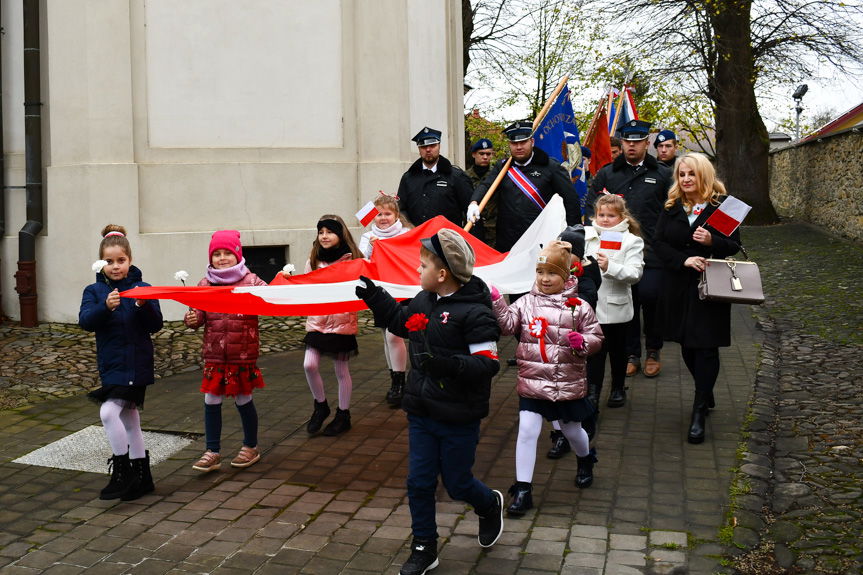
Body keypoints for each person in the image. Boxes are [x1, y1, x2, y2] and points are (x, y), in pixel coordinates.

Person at [355, 229, 504, 575]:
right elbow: (401, 322)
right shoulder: (424, 300)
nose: (416, 271)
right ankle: (424, 547)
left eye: (421, 265)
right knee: (419, 482)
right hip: (421, 411)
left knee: (457, 483)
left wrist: (448, 365)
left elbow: (488, 364)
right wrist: (377, 298)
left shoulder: (476, 313)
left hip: (458, 415)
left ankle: (488, 503)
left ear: (442, 274)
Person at [490, 241, 603, 516]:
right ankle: (524, 489)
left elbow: (596, 337)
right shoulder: (526, 302)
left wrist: (583, 343)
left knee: (572, 430)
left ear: (566, 276)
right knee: (527, 431)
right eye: (540, 272)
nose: (544, 279)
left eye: (551, 273)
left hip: (566, 383)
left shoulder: (579, 307)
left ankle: (585, 459)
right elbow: (507, 326)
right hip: (532, 382)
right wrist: (496, 300)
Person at [653, 153, 741, 444]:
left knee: (706, 348)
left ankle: (699, 409)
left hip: (710, 287)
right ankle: (707, 388)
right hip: (678, 285)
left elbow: (734, 246)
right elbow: (659, 243)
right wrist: (683, 259)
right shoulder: (671, 206)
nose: (686, 179)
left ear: (703, 174)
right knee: (688, 348)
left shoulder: (724, 206)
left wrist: (712, 242)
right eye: (681, 174)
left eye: (691, 174)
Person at [79, 225, 163, 501]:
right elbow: (85, 322)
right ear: (101, 263)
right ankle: (142, 477)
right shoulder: (93, 291)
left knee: (108, 413)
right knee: (129, 418)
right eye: (109, 261)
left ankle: (123, 471)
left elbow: (155, 325)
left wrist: (142, 305)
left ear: (130, 260)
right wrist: (105, 306)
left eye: (121, 260)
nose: (115, 267)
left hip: (136, 363)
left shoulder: (143, 288)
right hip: (111, 364)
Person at [586, 119, 672, 380]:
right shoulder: (607, 173)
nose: (632, 145)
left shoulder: (662, 174)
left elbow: (673, 208)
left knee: (650, 297)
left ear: (647, 143)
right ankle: (632, 353)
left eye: (637, 141)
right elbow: (592, 205)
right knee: (628, 300)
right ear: (621, 143)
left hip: (652, 249)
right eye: (627, 141)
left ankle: (654, 349)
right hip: (617, 251)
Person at [183, 230, 268, 473]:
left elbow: (270, 297)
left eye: (227, 253)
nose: (221, 258)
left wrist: (283, 282)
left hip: (242, 352)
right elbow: (198, 315)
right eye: (216, 254)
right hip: (215, 354)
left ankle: (251, 446)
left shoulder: (251, 280)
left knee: (244, 398)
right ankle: (212, 451)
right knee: (211, 399)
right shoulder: (205, 283)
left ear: (237, 255)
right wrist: (191, 318)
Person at [467, 120, 581, 253]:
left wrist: (573, 236)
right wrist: (474, 202)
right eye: (514, 143)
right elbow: (486, 185)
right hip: (508, 240)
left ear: (532, 142)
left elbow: (571, 200)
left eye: (523, 142)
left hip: (539, 238)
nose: (519, 147)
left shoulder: (551, 167)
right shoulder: (502, 167)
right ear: (509, 144)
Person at [584, 195, 645, 411]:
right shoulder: (586, 236)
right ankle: (592, 392)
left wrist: (610, 266)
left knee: (618, 351)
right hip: (590, 307)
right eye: (601, 215)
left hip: (616, 307)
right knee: (595, 352)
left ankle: (618, 387)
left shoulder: (631, 240)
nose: (605, 220)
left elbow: (635, 273)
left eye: (611, 215)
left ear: (621, 216)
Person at [547, 224, 602, 457]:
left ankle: (583, 431)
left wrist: (572, 282)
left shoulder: (587, 272)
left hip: (576, 341)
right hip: (553, 340)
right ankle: (559, 434)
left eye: (570, 253)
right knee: (552, 389)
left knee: (575, 390)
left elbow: (589, 299)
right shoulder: (550, 270)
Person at [304, 215, 362, 436]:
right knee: (309, 365)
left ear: (341, 234)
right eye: (321, 232)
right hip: (317, 321)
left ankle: (343, 414)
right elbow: (305, 287)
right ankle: (321, 405)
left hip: (342, 323)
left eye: (330, 232)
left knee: (341, 370)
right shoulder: (313, 260)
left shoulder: (353, 260)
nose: (325, 236)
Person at [358, 193, 410, 407]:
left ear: (396, 215)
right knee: (385, 336)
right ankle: (394, 380)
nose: (383, 218)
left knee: (393, 335)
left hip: (402, 290)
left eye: (387, 213)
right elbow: (363, 261)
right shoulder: (367, 236)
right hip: (380, 291)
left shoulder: (406, 233)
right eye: (378, 214)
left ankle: (401, 383)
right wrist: (372, 245)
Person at [397, 127, 475, 228]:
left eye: (432, 145)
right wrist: (409, 227)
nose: (428, 150)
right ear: (419, 149)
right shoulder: (408, 178)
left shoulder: (456, 176)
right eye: (423, 147)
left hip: (447, 239)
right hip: (417, 238)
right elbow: (401, 209)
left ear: (439, 146)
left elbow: (469, 210)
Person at [465, 138, 498, 246]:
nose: (485, 157)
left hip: (493, 228)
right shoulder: (465, 176)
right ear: (474, 154)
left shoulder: (497, 176)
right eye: (481, 153)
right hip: (472, 225)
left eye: (488, 154)